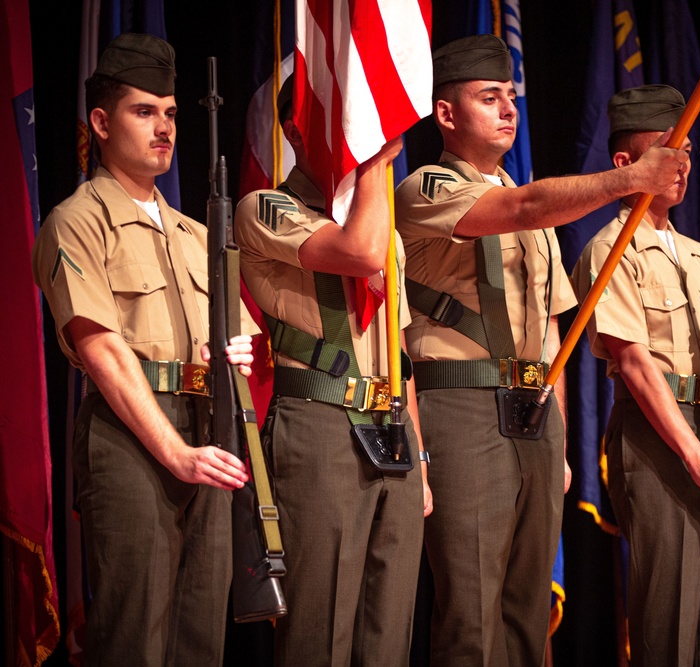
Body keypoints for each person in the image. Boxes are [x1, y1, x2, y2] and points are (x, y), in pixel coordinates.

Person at [393, 35, 689, 666]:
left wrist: (552, 426)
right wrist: (631, 178)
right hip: (463, 409)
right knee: (471, 607)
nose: (507, 110)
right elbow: (521, 207)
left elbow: (551, 329)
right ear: (446, 114)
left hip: (532, 413)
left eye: (510, 97)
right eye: (487, 97)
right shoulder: (428, 187)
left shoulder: (534, 214)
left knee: (529, 609)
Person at [31, 33, 258, 665]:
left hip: (206, 429)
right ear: (101, 123)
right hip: (132, 438)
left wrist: (232, 355)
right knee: (136, 639)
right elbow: (100, 348)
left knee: (200, 639)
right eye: (144, 111)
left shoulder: (195, 233)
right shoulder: (77, 219)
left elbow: (237, 339)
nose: (163, 128)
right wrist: (176, 453)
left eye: (171, 113)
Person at [234, 76, 432, 666]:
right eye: (339, 120)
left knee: (389, 633)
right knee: (318, 635)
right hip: (321, 425)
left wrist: (419, 459)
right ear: (296, 131)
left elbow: (399, 352)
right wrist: (376, 159)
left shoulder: (381, 224)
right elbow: (360, 252)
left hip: (390, 430)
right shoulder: (267, 207)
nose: (354, 133)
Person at [570, 84, 700, 667]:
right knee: (669, 623)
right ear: (627, 164)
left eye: (684, 152)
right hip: (660, 438)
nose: (680, 166)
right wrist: (693, 457)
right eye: (665, 149)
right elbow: (631, 362)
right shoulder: (609, 249)